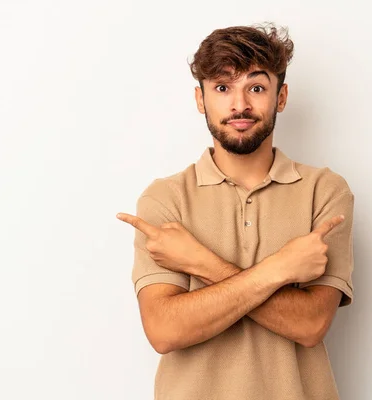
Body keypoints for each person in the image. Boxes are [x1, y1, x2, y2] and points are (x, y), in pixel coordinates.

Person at [116, 23, 355, 400]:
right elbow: (164, 331)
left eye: (256, 88)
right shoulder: (165, 198)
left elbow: (310, 324)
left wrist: (199, 262)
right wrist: (281, 269)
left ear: (281, 96)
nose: (239, 105)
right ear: (200, 99)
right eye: (222, 88)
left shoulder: (323, 191)